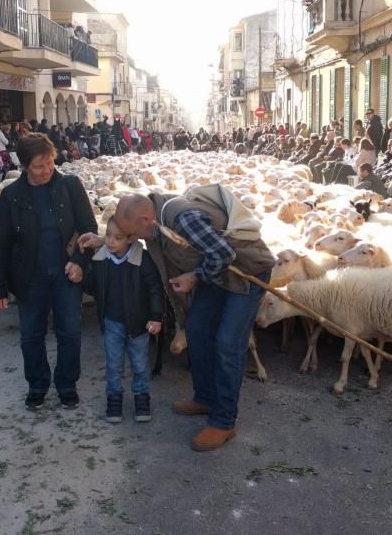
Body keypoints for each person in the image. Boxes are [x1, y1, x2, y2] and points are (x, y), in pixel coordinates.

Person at [87, 189, 275, 451]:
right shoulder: (153, 223)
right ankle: (206, 397)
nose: (134, 239)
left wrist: (195, 276)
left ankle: (223, 421)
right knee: (196, 329)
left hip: (245, 274)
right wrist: (103, 240)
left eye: (132, 233)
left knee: (228, 344)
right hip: (216, 273)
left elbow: (223, 255)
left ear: (144, 219)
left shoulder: (184, 219)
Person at [0, 134, 97, 410]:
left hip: (66, 274)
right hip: (29, 276)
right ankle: (37, 384)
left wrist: (79, 263)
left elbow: (89, 231)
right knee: (31, 335)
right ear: (24, 166)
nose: (46, 169)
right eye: (38, 166)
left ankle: (67, 384)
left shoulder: (70, 186)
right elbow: (0, 242)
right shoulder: (12, 196)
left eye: (49, 162)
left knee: (69, 331)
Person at [83, 217, 163, 423]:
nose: (110, 241)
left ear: (131, 238)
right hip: (112, 322)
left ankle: (141, 398)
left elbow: (154, 288)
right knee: (113, 364)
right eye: (108, 235)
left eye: (117, 237)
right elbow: (93, 286)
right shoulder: (100, 260)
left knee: (140, 364)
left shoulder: (142, 259)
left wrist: (155, 316)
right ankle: (114, 398)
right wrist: (81, 278)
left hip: (138, 324)